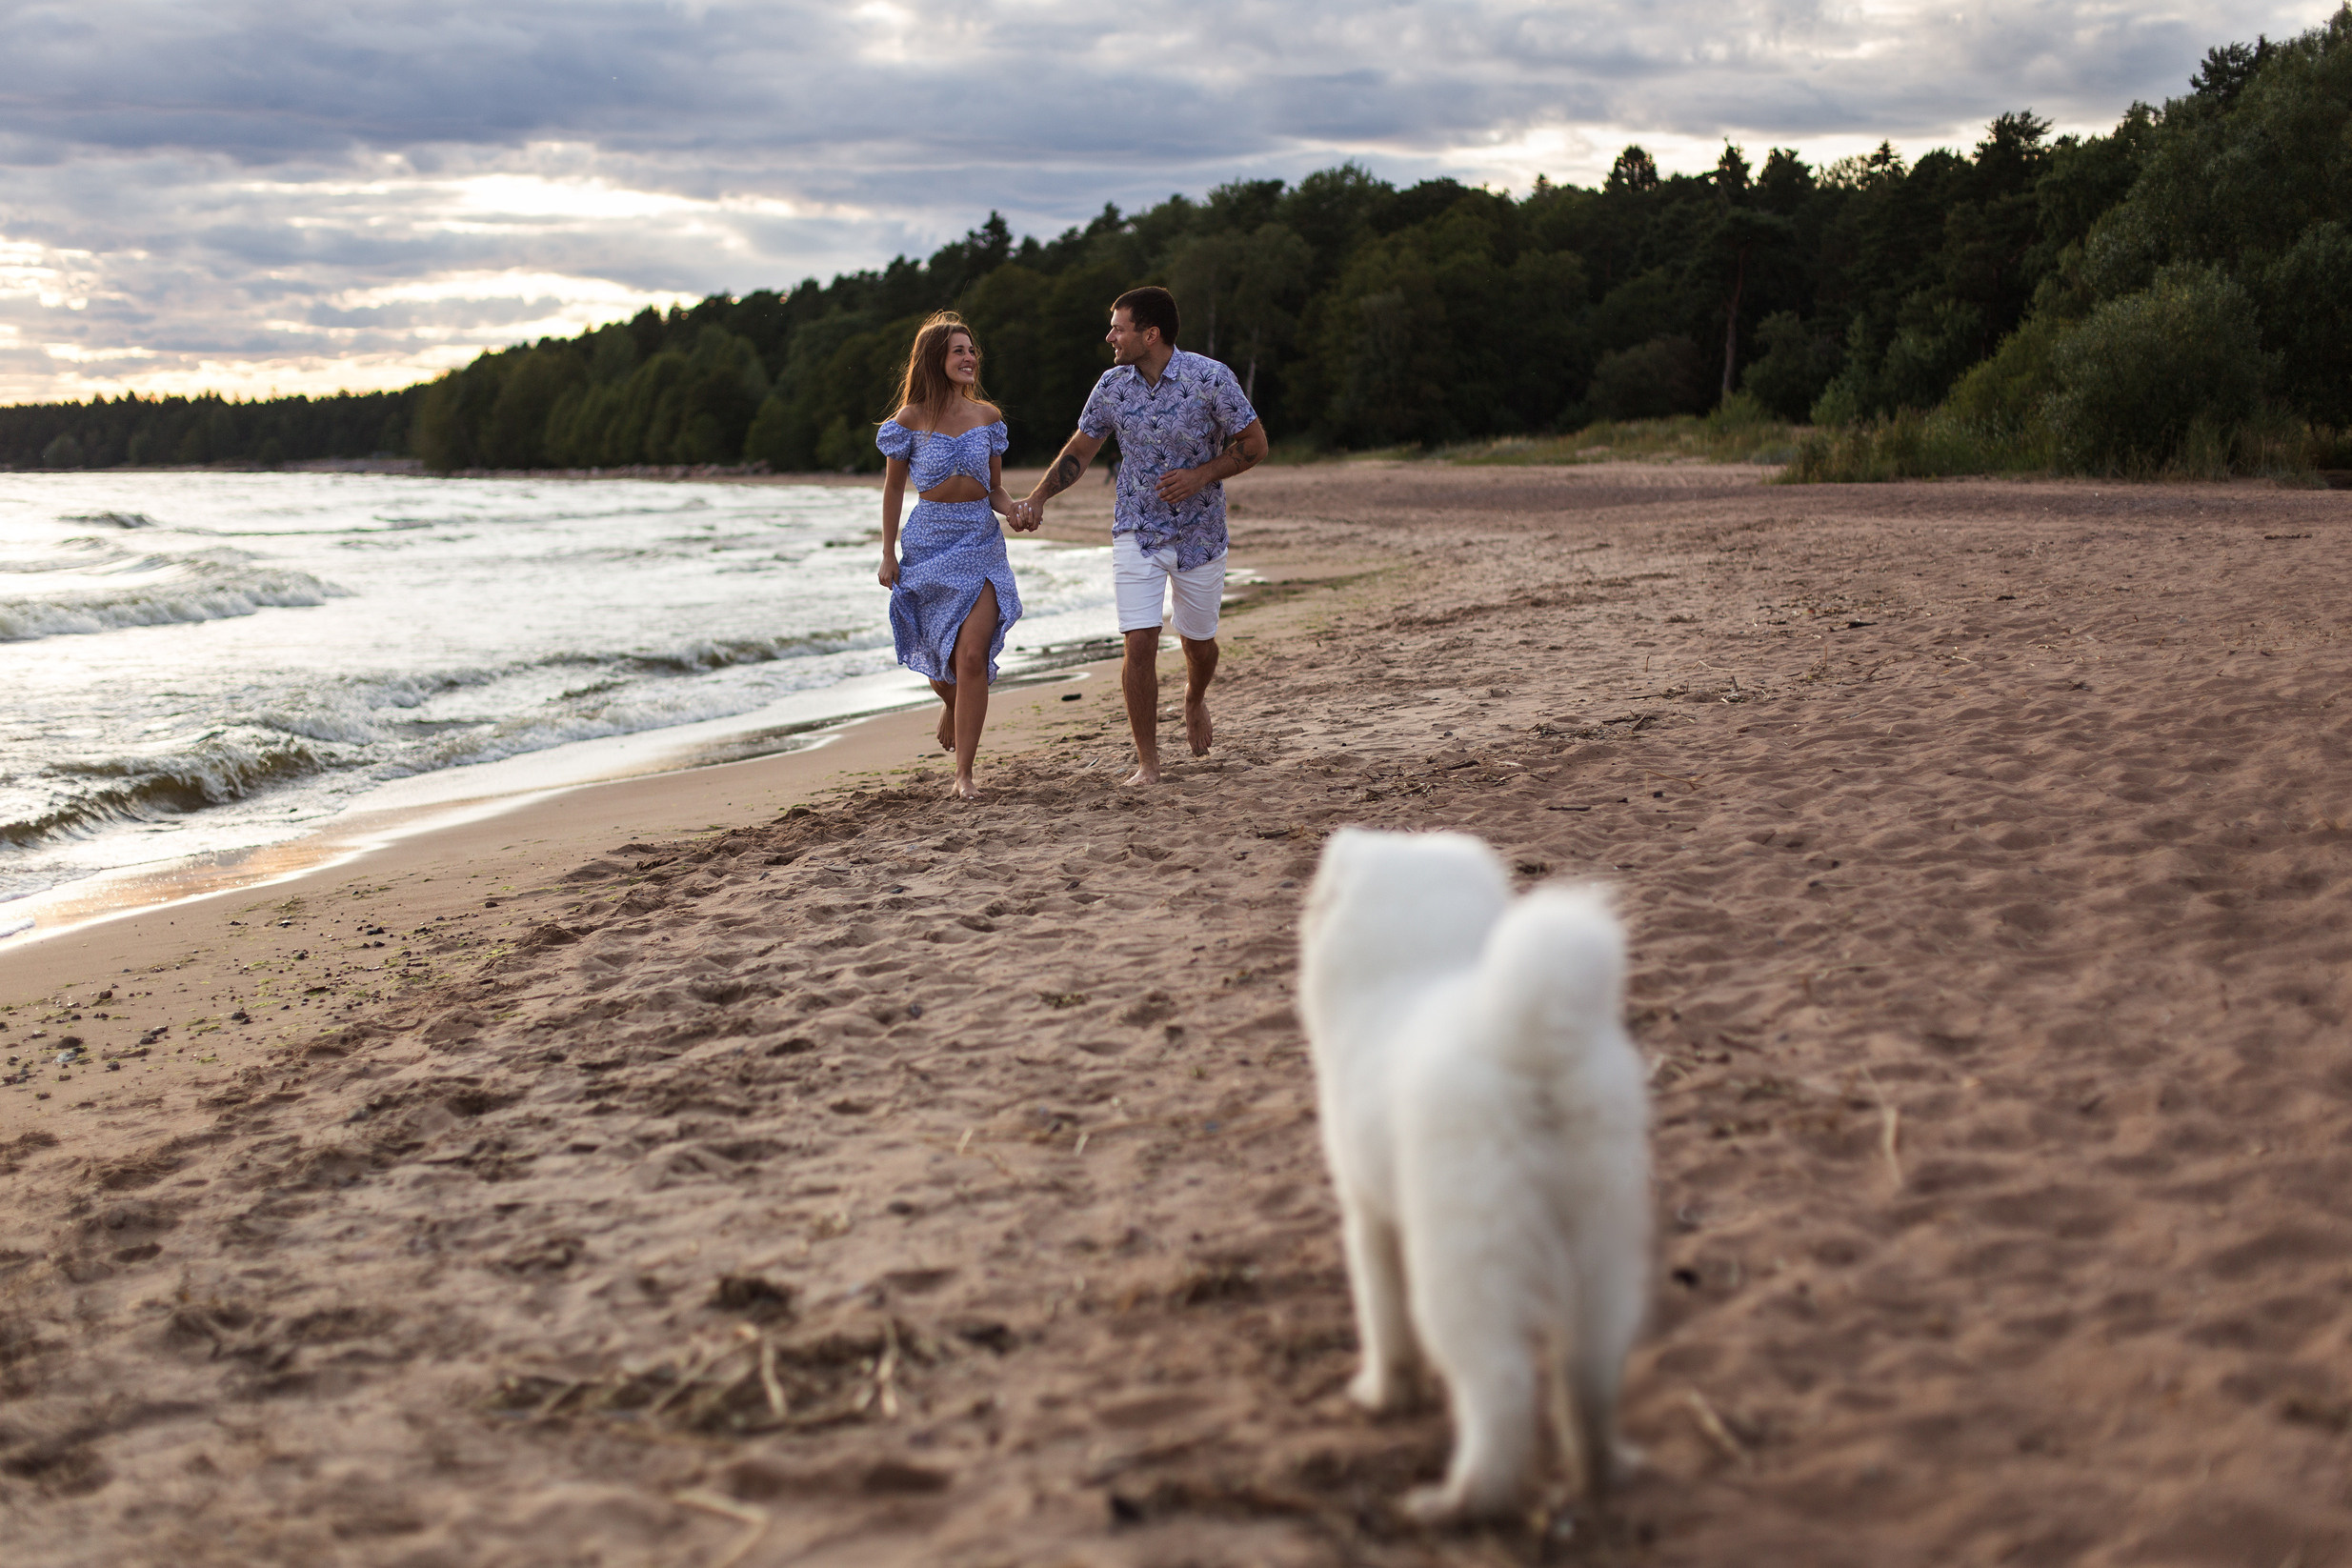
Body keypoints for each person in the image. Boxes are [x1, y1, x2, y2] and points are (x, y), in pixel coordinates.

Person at [1012, 287, 1268, 785]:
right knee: (1140, 642)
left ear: (1150, 334)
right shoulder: (1112, 387)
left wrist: (1201, 475)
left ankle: (1194, 698)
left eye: (1118, 327)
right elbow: (1080, 452)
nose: (1110, 336)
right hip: (1135, 529)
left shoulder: (1211, 378)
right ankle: (1148, 762)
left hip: (1200, 532)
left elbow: (1255, 444)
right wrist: (1040, 497)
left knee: (1199, 643)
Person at [876, 312, 1035, 799]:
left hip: (980, 543)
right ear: (934, 360)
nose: (970, 358)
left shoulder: (988, 417)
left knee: (970, 657)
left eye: (971, 350)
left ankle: (964, 774)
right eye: (958, 351)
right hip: (927, 545)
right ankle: (951, 702)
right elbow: (893, 491)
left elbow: (996, 489)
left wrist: (1015, 510)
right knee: (939, 662)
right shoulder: (909, 422)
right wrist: (887, 553)